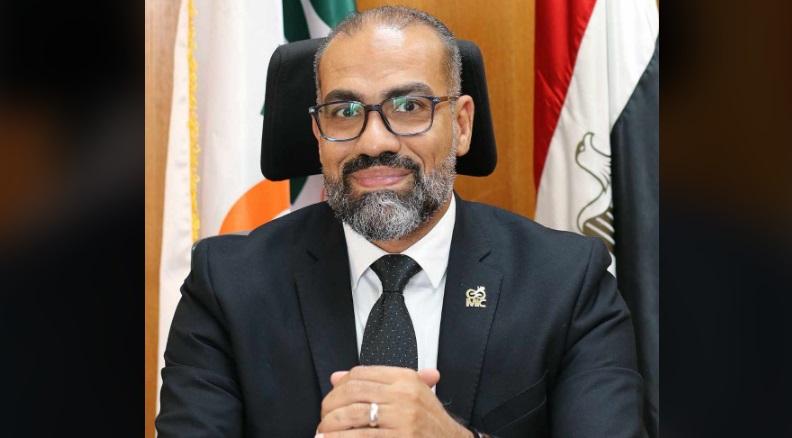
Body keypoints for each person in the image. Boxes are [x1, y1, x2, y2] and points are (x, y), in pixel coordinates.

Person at [156, 6, 645, 438]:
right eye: (344, 111)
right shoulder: (229, 285)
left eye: (409, 107)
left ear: (462, 125)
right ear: (318, 134)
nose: (374, 142)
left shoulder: (565, 281)